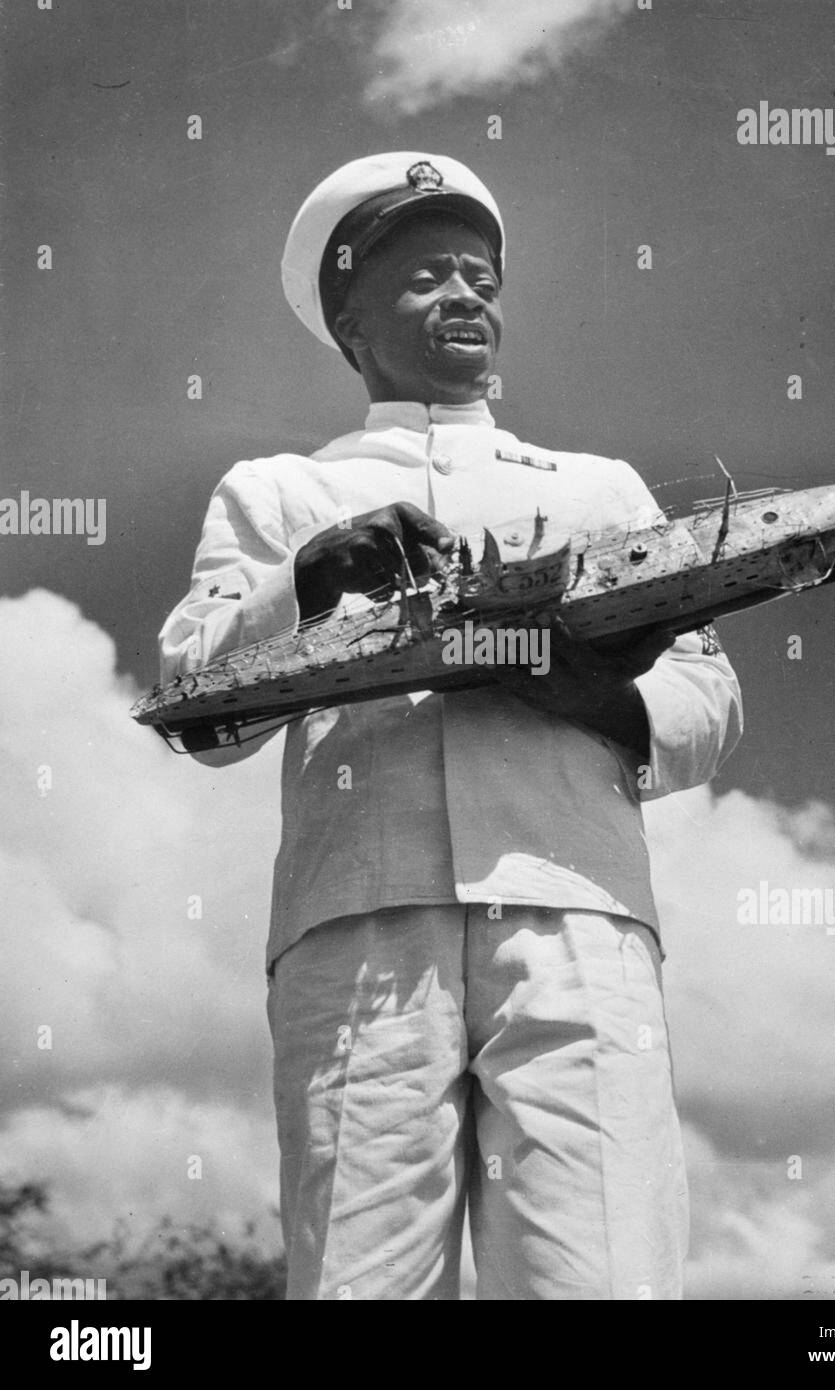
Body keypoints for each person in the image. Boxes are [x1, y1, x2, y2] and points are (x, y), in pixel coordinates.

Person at [158, 151, 743, 1301]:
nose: (465, 296)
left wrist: (600, 698)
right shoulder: (278, 496)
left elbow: (709, 696)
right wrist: (310, 580)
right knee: (358, 1281)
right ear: (351, 323)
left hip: (575, 908)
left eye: (479, 274)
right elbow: (194, 702)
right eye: (425, 277)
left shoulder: (598, 486)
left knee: (604, 1272)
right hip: (361, 924)